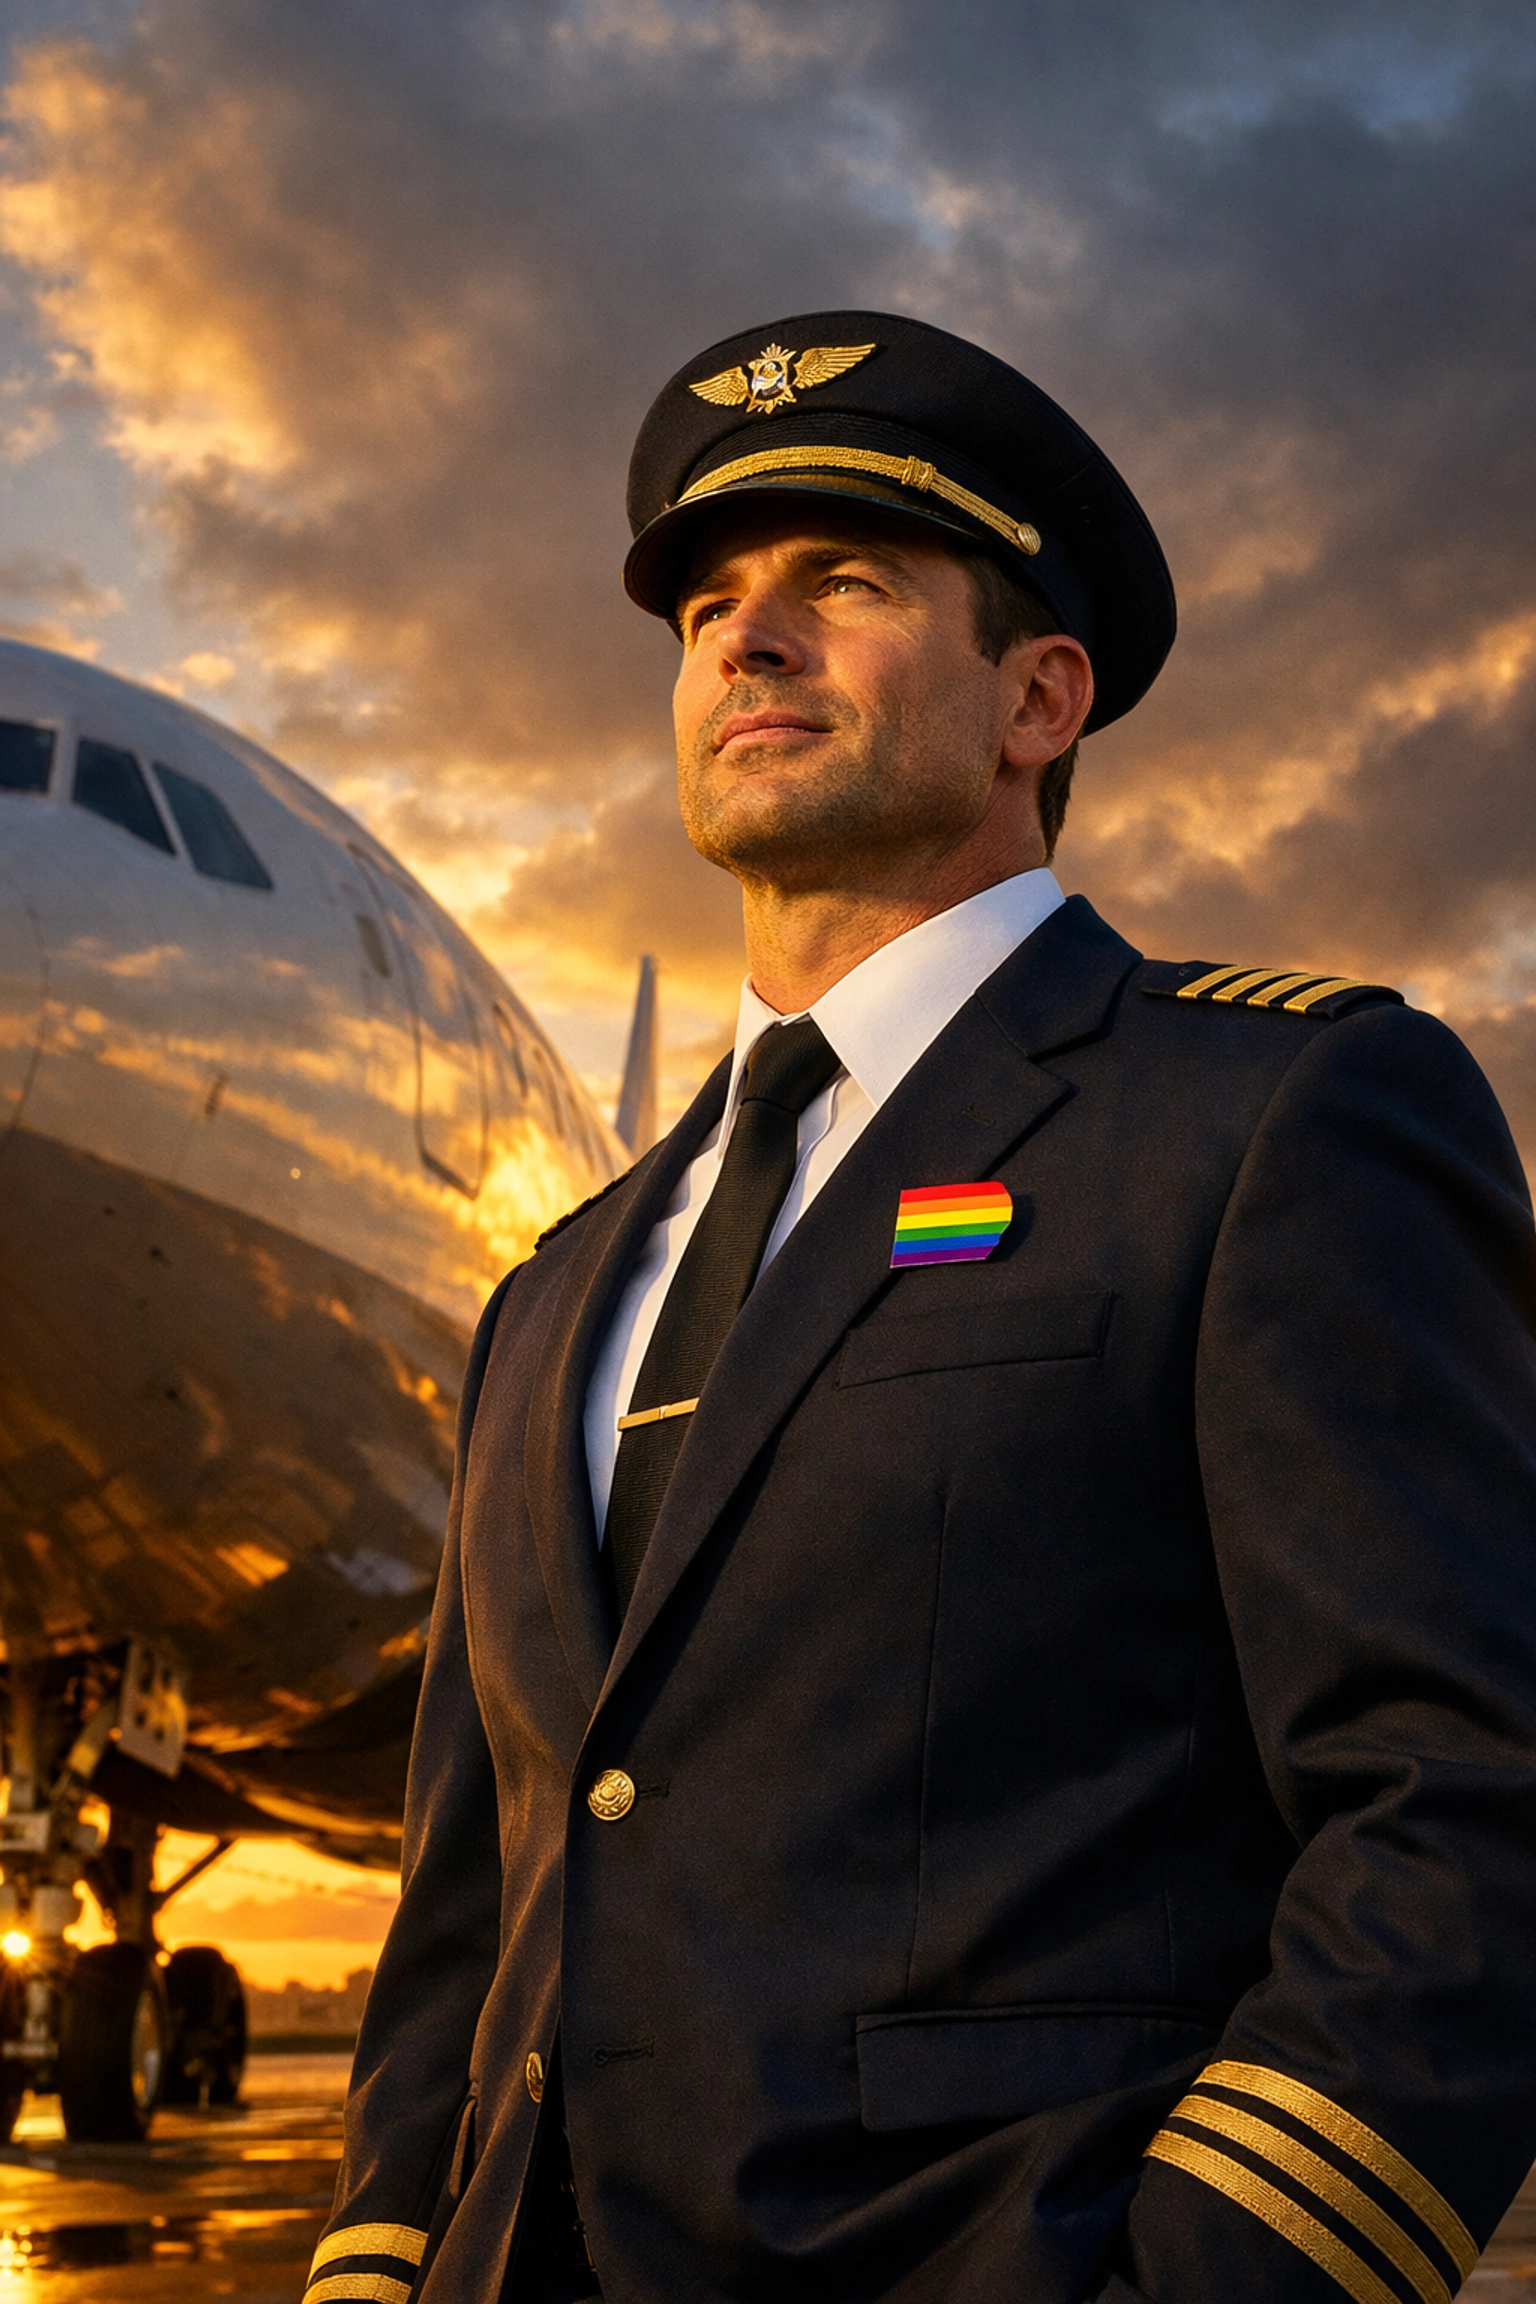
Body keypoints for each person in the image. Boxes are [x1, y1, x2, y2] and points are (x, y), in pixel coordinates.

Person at [310, 313, 1536, 2304]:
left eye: (845, 586)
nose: (746, 641)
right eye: (710, 606)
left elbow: (1466, 1794)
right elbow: (473, 1903)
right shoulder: (558, 1287)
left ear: (1039, 700)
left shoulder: (1263, 1121)